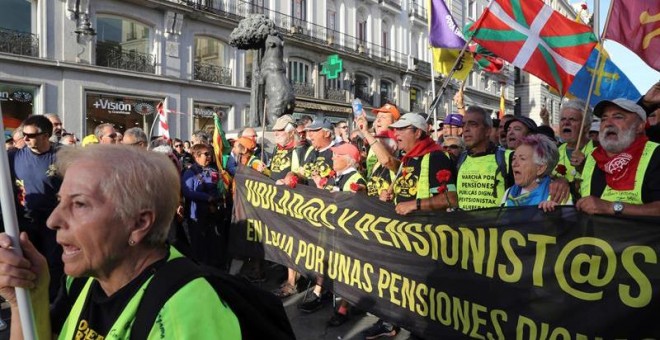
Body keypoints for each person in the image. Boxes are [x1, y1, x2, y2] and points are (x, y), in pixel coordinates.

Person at [0, 145, 241, 339]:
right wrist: (28, 299)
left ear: (138, 223)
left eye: (80, 204)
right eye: (60, 201)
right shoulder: (82, 279)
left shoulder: (186, 314)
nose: (53, 220)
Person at [8, 115, 63, 301]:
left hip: (53, 224)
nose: (25, 139)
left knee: (53, 266)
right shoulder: (13, 156)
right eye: (24, 135)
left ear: (46, 136)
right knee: (26, 266)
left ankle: (53, 305)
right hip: (24, 223)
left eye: (31, 135)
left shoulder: (62, 156)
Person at [577, 99, 660, 216]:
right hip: (592, 234)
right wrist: (563, 184)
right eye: (604, 118)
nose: (608, 123)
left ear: (639, 127)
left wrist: (612, 207)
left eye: (618, 117)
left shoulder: (655, 154)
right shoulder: (592, 156)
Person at [181, 144, 223, 267]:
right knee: (198, 244)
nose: (209, 157)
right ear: (196, 156)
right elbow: (187, 192)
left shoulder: (212, 170)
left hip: (212, 213)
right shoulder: (189, 172)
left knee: (212, 242)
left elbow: (216, 187)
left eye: (210, 153)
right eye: (206, 154)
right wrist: (207, 198)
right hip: (197, 215)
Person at [503, 134, 569, 211]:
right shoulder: (509, 192)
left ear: (540, 168)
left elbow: (569, 221)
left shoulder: (557, 193)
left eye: (522, 159)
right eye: (514, 158)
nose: (514, 164)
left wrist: (554, 215)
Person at [554, 99, 596, 185]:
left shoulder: (598, 151)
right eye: (563, 119)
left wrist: (583, 168)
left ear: (586, 127)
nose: (566, 123)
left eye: (572, 119)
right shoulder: (555, 151)